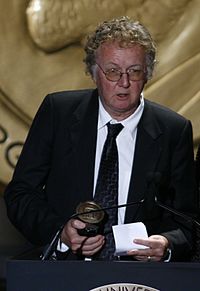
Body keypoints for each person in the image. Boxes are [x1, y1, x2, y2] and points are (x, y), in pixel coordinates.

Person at [4, 16, 198, 262]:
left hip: (138, 279)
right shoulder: (58, 113)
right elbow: (20, 194)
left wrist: (168, 244)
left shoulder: (173, 130)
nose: (124, 82)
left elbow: (188, 220)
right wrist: (60, 234)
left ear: (147, 74)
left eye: (134, 72)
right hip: (64, 272)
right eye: (113, 71)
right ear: (94, 72)